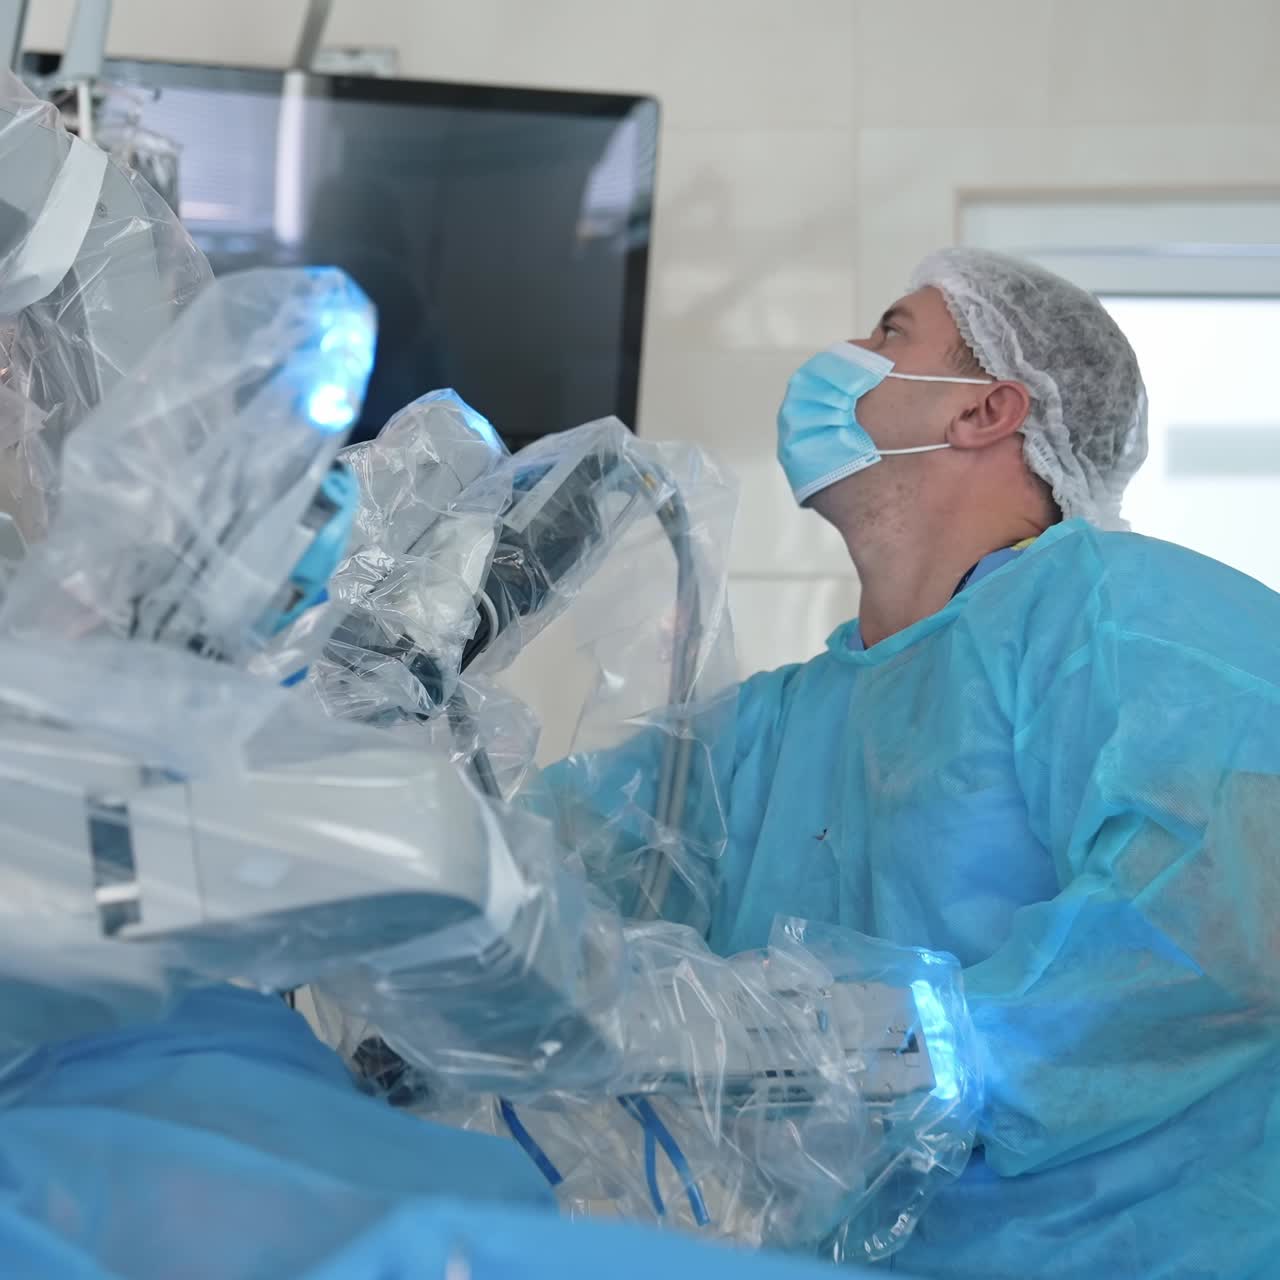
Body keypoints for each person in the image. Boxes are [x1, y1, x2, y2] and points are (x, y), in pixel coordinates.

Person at [552, 248, 1280, 1277]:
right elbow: (540, 858)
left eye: (888, 332)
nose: (843, 354)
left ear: (983, 410)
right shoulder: (786, 722)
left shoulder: (1133, 622)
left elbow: (1221, 931)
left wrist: (889, 1052)